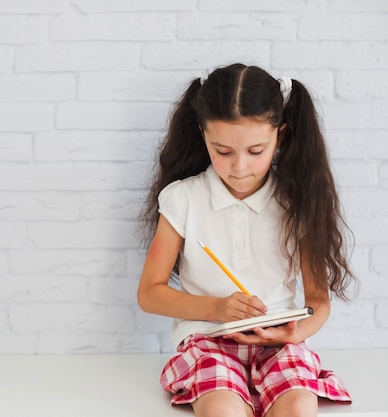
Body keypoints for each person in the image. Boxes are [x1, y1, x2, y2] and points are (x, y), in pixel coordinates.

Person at [137, 63, 355, 417]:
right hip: (207, 341)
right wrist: (219, 309)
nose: (239, 166)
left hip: (280, 344)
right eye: (223, 151)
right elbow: (149, 293)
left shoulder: (298, 201)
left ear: (280, 137)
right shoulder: (183, 199)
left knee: (299, 406)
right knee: (222, 408)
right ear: (202, 136)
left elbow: (319, 302)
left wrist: (292, 334)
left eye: (255, 151)